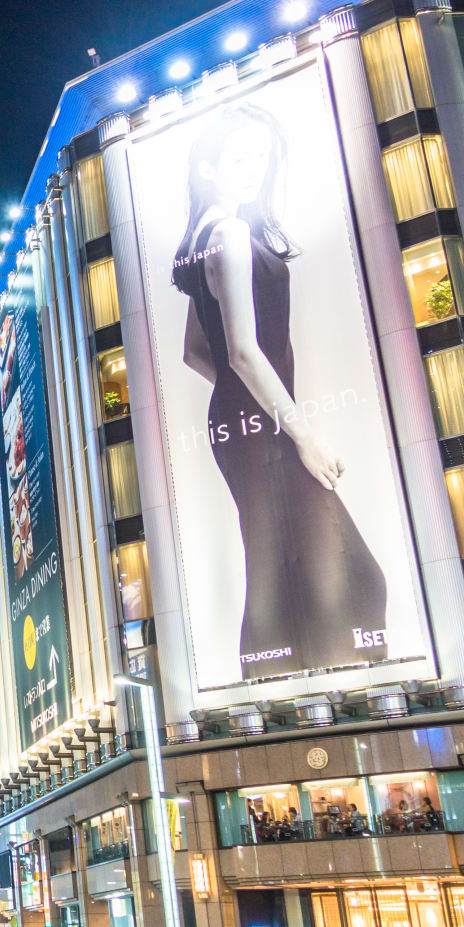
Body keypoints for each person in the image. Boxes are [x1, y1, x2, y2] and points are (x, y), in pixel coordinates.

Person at [170, 99, 389, 678]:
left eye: (261, 156)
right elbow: (240, 350)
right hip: (263, 427)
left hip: (239, 423)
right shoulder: (232, 233)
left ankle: (274, 696)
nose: (253, 167)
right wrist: (301, 432)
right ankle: (312, 701)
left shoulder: (202, 237)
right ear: (208, 167)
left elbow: (198, 350)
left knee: (279, 568)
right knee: (335, 575)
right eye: (238, 156)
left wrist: (247, 401)